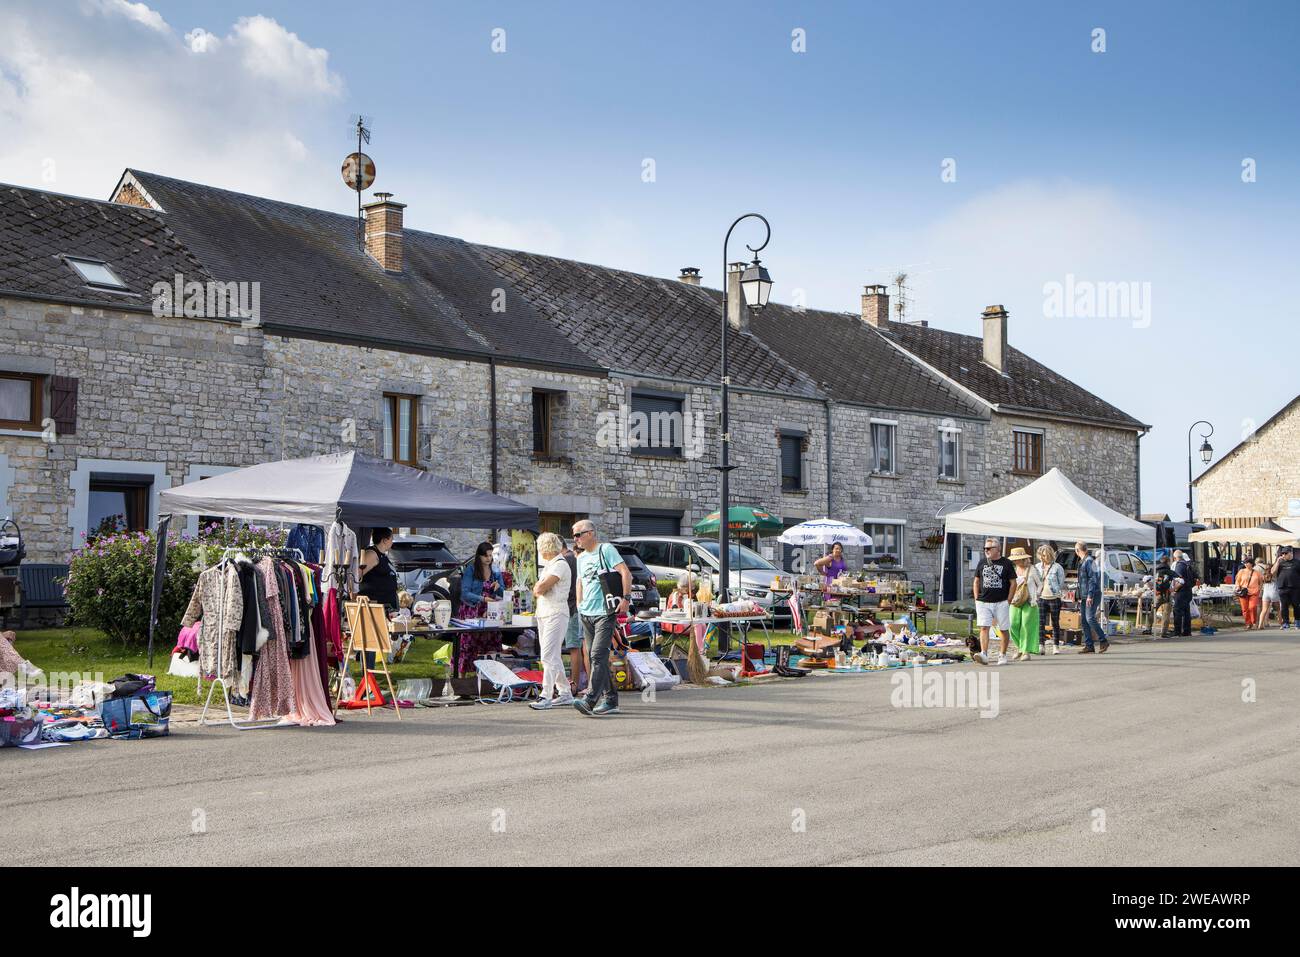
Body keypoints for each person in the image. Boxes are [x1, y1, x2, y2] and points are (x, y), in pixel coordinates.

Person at [571, 520, 631, 716]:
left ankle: (590, 699)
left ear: (590, 533)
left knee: (597, 654)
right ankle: (611, 700)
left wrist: (626, 598)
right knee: (595, 657)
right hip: (587, 612)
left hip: (605, 611)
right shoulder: (580, 558)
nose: (575, 539)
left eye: (578, 534)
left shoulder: (605, 549)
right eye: (574, 535)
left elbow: (625, 573)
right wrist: (580, 603)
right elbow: (580, 581)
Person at [529, 532, 574, 710]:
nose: (539, 551)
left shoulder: (560, 564)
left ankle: (546, 695)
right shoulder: (551, 565)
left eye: (540, 548)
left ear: (546, 548)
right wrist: (539, 588)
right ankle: (565, 692)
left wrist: (539, 588)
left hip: (556, 613)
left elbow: (540, 587)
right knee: (553, 655)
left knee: (547, 655)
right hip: (546, 613)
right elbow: (538, 589)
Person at [457, 541, 505, 675]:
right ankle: (463, 676)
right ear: (479, 556)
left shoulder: (495, 571)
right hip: (472, 610)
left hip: (490, 612)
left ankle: (491, 675)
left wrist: (498, 588)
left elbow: (503, 592)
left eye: (490, 556)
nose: (489, 559)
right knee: (469, 644)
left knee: (492, 642)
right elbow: (465, 593)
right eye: (486, 556)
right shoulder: (471, 570)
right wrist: (482, 598)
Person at [972, 538, 1016, 665]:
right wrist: (976, 598)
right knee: (984, 627)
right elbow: (976, 581)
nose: (986, 551)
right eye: (985, 548)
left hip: (1001, 601)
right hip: (983, 601)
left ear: (997, 549)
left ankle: (1002, 654)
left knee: (1003, 629)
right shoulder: (981, 562)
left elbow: (1013, 583)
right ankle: (984, 654)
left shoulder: (1006, 563)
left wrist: (1009, 599)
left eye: (989, 548)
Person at [560, 539, 586, 694]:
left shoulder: (567, 559)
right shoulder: (573, 557)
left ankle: (574, 684)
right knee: (579, 646)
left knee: (574, 647)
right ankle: (580, 683)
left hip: (572, 607)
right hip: (577, 606)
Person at [1008, 546, 1043, 661]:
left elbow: (1040, 584)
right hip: (1014, 601)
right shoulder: (1013, 569)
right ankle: (1019, 647)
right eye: (1014, 560)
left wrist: (1036, 595)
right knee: (1013, 624)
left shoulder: (1032, 569)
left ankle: (1025, 651)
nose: (1015, 561)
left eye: (1017, 559)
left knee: (1026, 626)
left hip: (1029, 602)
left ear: (1023, 559)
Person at [1076, 542, 1109, 654]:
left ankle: (1103, 640)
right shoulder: (1083, 561)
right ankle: (1089, 645)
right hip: (1085, 594)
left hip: (1092, 594)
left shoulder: (1089, 561)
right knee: (1084, 620)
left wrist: (1090, 595)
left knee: (1090, 618)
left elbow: (1093, 579)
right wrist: (1080, 595)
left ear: (1077, 550)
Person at [357, 527, 399, 611]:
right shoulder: (372, 554)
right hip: (374, 606)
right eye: (391, 539)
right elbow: (355, 575)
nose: (392, 542)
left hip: (387, 606)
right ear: (384, 540)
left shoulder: (383, 555)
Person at [1035, 544, 1066, 654]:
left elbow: (1061, 583)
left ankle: (1056, 646)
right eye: (1042, 555)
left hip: (1054, 597)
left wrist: (1056, 590)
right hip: (1041, 597)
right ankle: (1041, 645)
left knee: (1055, 622)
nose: (1044, 557)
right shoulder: (1038, 567)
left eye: (1046, 555)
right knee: (1040, 622)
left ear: (1050, 555)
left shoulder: (1057, 567)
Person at [1272, 545, 1300, 630]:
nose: (1283, 555)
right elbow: (1272, 572)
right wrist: (1277, 562)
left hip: (1295, 587)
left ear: (1290, 553)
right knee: (1284, 606)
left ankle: (1297, 622)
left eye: (1285, 553)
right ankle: (1286, 623)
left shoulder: (1297, 562)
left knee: (1296, 605)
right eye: (1282, 553)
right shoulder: (1280, 562)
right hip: (1282, 587)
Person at [1171, 549, 1196, 638]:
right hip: (1188, 591)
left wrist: (1174, 590)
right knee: (1186, 612)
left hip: (1181, 591)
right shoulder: (1187, 564)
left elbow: (1179, 580)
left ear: (1175, 557)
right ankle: (1187, 631)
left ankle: (1177, 631)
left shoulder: (1179, 566)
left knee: (1177, 611)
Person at [1234, 556, 1262, 629]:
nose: (1246, 564)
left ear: (1252, 564)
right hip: (1243, 592)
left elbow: (1261, 582)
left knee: (1252, 607)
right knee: (1245, 609)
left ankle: (1254, 622)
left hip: (1254, 592)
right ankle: (1248, 623)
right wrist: (1237, 586)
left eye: (1247, 563)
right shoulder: (1241, 571)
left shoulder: (1257, 573)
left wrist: (1259, 589)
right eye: (1245, 563)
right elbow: (1237, 581)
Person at [1150, 556, 1174, 638]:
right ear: (1167, 562)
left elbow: (1151, 580)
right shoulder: (1169, 571)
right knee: (1166, 613)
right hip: (1166, 594)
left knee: (1153, 610)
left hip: (1157, 593)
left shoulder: (1155, 570)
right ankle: (1164, 632)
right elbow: (1176, 579)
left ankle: (1148, 628)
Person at [1259, 559, 1278, 630]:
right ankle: (1282, 624)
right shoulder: (1274, 574)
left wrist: (1260, 590)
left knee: (1264, 610)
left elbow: (1261, 585)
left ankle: (1260, 624)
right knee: (1278, 609)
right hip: (1274, 593)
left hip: (1265, 593)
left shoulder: (1263, 575)